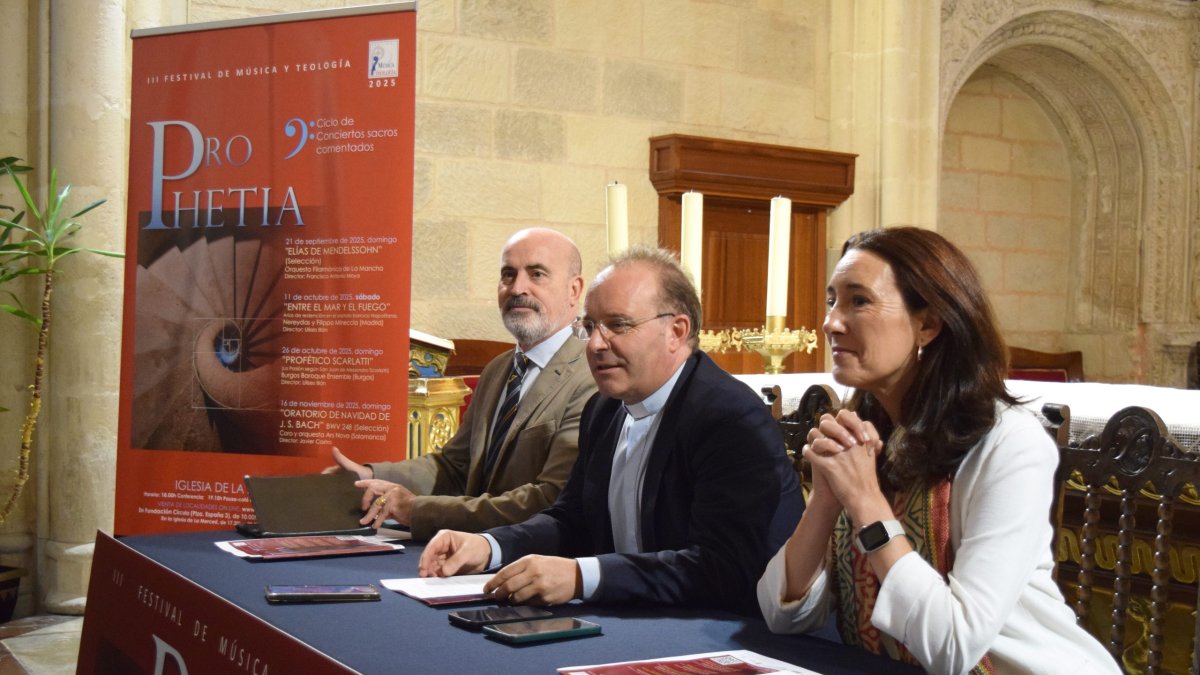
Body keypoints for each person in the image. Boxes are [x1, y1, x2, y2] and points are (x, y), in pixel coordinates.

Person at [757, 227, 1119, 674]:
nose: (831, 321)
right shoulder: (873, 427)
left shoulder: (1009, 445)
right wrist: (829, 498)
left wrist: (867, 503)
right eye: (831, 300)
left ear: (927, 324)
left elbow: (952, 647)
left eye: (859, 301)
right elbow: (782, 614)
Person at [417, 246, 805, 616]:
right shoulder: (603, 409)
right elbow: (572, 519)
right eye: (590, 326)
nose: (597, 344)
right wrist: (489, 545)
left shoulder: (729, 417)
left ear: (677, 331)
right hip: (633, 618)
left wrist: (581, 576)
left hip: (725, 631)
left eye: (618, 325)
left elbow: (724, 569)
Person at [329, 228, 597, 541]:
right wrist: (370, 476)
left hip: (533, 560)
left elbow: (547, 500)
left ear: (574, 290)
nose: (517, 288)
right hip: (464, 556)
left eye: (537, 274)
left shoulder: (591, 376)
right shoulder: (499, 369)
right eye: (508, 275)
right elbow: (454, 467)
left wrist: (416, 508)